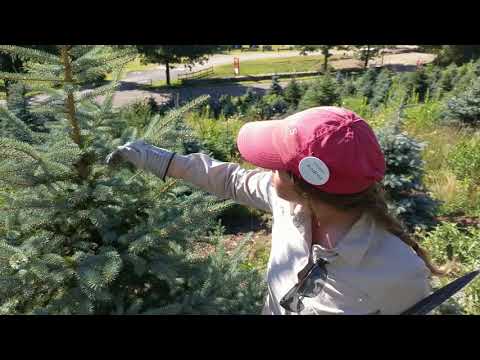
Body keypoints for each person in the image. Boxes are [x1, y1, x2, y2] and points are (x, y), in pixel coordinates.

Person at [107, 106, 446, 315]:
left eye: (276, 166)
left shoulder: (400, 271)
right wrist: (159, 159)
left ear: (305, 184)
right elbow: (231, 179)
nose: (267, 173)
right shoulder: (288, 203)